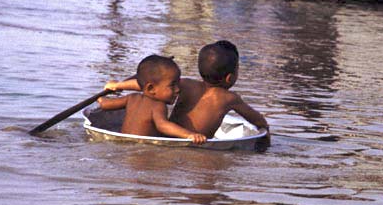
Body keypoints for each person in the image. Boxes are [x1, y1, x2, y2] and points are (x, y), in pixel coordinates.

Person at [104, 41, 269, 142]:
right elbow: (257, 120)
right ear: (229, 78)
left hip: (167, 138)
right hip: (192, 144)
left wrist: (118, 85)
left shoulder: (186, 84)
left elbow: (149, 85)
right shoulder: (230, 98)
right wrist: (265, 132)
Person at [97, 55, 207, 144]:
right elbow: (162, 125)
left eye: (178, 83)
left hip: (121, 143)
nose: (178, 89)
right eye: (172, 85)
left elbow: (105, 105)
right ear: (151, 88)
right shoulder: (158, 106)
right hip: (142, 149)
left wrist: (100, 98)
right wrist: (188, 135)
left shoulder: (131, 98)